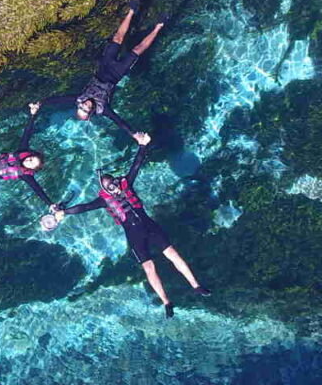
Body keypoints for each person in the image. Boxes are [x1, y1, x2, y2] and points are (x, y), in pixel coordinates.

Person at [54, 133, 210, 318]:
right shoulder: (103, 201)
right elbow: (84, 207)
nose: (114, 187)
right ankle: (167, 302)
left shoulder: (126, 183)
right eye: (109, 187)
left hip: (150, 227)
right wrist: (65, 212)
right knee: (149, 268)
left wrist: (143, 146)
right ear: (104, 191)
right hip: (135, 235)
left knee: (173, 255)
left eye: (113, 183)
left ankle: (196, 286)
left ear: (116, 180)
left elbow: (136, 165)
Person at [37, 5, 163, 139]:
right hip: (117, 73)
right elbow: (119, 121)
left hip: (104, 66)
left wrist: (40, 103)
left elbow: (58, 100)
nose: (85, 106)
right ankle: (159, 26)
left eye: (81, 107)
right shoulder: (103, 109)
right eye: (86, 110)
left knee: (117, 39)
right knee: (138, 49)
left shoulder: (80, 98)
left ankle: (132, 11)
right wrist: (133, 134)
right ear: (91, 112)